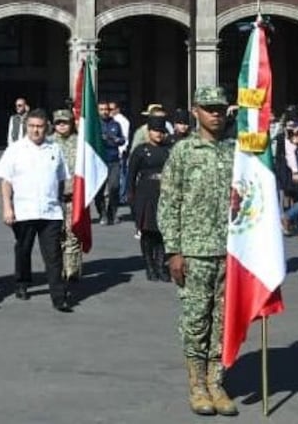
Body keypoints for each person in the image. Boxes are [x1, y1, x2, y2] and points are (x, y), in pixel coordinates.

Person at [157, 86, 238, 417]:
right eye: (209, 108)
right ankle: (197, 384)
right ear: (195, 111)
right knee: (195, 320)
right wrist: (173, 250)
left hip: (231, 252)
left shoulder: (235, 151)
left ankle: (217, 381)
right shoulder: (183, 152)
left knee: (223, 321)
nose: (215, 114)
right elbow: (169, 202)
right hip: (194, 250)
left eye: (220, 108)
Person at [0, 108, 72, 313]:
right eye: (32, 126)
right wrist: (7, 208)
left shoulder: (54, 148)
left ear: (47, 127)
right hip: (24, 210)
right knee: (23, 249)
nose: (36, 131)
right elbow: (6, 180)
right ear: (26, 127)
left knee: (53, 255)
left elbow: (61, 179)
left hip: (50, 211)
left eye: (39, 127)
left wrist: (60, 204)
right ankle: (22, 282)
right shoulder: (16, 149)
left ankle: (59, 296)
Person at [126, 117, 172, 281]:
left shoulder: (169, 149)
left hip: (165, 193)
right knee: (148, 232)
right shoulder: (141, 150)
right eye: (155, 131)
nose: (158, 134)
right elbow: (131, 174)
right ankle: (150, 266)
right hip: (145, 193)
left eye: (161, 131)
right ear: (149, 131)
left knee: (162, 232)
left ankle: (161, 265)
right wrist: (130, 195)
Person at [51, 109, 82, 283]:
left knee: (73, 234)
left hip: (74, 198)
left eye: (65, 122)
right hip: (53, 198)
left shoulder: (80, 143)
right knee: (56, 235)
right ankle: (58, 269)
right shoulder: (48, 143)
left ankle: (72, 270)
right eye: (58, 123)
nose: (62, 126)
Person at [94, 101, 125, 225]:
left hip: (113, 160)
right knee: (99, 190)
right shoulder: (95, 125)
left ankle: (113, 213)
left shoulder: (116, 124)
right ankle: (102, 213)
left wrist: (114, 139)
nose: (104, 112)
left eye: (106, 109)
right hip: (99, 161)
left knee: (114, 187)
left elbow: (122, 140)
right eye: (101, 109)